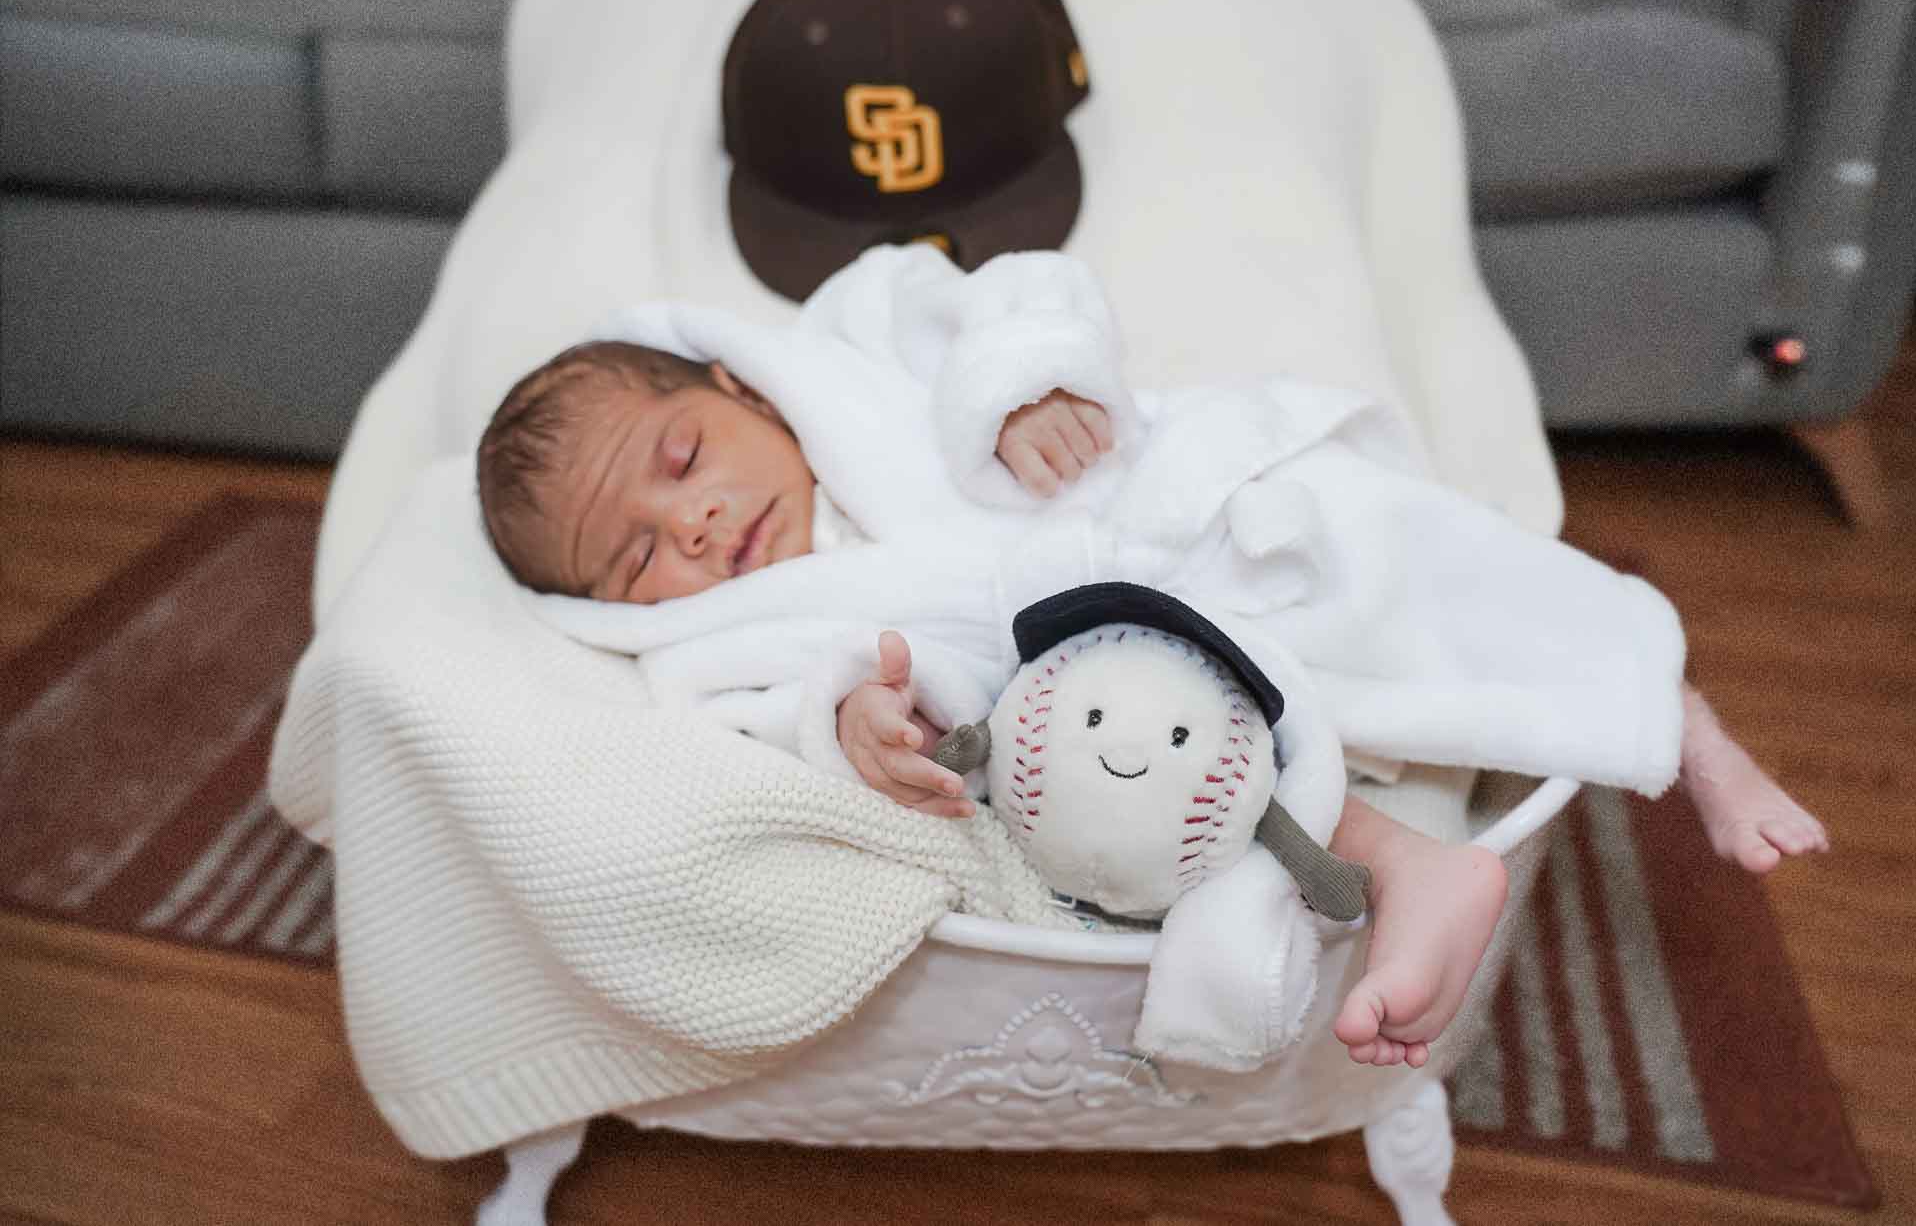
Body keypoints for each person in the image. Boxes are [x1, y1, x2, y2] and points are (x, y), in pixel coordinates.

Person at [476, 244, 1828, 1069]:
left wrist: (1027, 388)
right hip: (1123, 678)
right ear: (616, 609)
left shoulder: (859, 340)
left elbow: (1016, 295)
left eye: (679, 461)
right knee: (1178, 753)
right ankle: (1412, 866)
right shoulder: (727, 633)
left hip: (1169, 511)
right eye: (638, 554)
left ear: (734, 386)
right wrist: (856, 721)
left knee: (1410, 571)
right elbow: (774, 708)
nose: (695, 523)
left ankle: (1686, 722)